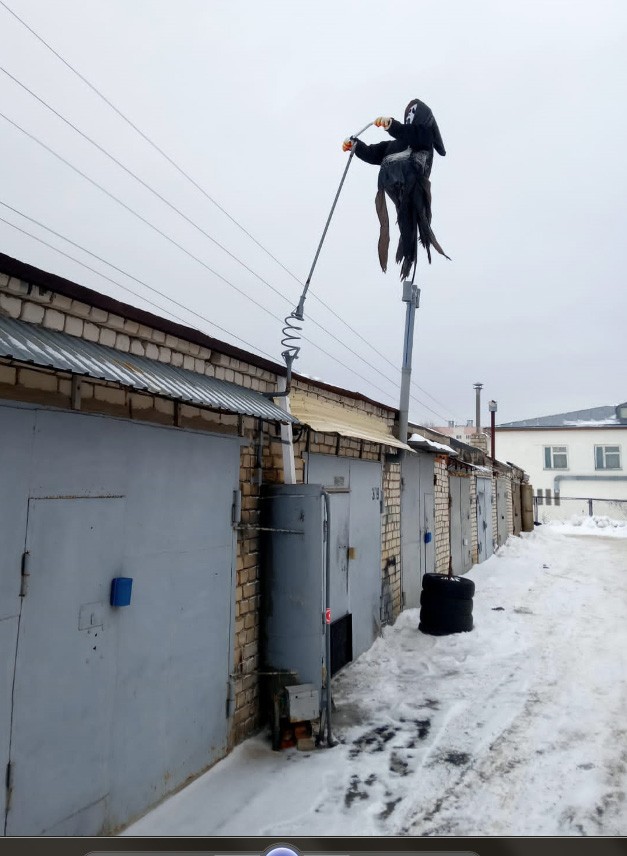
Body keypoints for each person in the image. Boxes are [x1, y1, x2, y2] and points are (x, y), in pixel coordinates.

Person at [343, 99, 449, 279]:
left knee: (407, 216)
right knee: (404, 216)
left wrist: (391, 125)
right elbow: (375, 152)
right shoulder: (398, 143)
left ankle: (408, 253)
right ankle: (407, 249)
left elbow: (412, 133)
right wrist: (356, 145)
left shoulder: (423, 136)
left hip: (411, 182)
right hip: (397, 183)